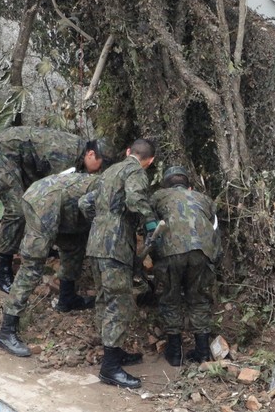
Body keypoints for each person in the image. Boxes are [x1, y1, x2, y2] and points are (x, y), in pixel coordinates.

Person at [0, 126, 116, 294]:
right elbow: (49, 196)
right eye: (99, 167)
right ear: (91, 154)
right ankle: (3, 269)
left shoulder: (79, 154)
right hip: (3, 154)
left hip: (27, 162)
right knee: (17, 211)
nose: (98, 173)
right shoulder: (65, 156)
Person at [79, 139, 157, 389]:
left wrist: (102, 222)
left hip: (95, 244)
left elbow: (84, 203)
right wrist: (150, 222)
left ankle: (113, 352)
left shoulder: (109, 171)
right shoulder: (136, 172)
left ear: (127, 151)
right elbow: (135, 200)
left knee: (104, 298)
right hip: (116, 247)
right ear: (150, 161)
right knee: (120, 302)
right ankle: (110, 367)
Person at [0, 172, 101, 357]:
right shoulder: (111, 187)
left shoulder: (117, 184)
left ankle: (67, 299)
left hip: (64, 208)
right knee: (32, 264)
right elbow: (87, 205)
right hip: (43, 201)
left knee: (74, 247)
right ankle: (7, 330)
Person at [150, 166, 220, 367]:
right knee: (198, 298)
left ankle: (174, 353)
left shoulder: (159, 197)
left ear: (166, 184)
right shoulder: (204, 199)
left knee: (170, 297)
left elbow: (149, 223)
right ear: (189, 186)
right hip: (202, 252)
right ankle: (203, 352)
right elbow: (215, 230)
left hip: (171, 252)